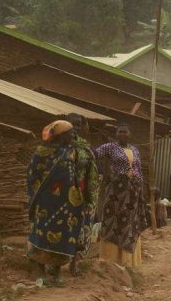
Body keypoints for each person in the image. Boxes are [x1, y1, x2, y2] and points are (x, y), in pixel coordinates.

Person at [26, 120, 85, 286]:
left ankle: (57, 271)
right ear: (60, 135)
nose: (73, 135)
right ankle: (40, 270)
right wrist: (37, 196)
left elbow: (74, 175)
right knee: (42, 233)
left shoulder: (72, 150)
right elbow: (32, 174)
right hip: (46, 202)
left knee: (64, 235)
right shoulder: (43, 151)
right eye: (70, 133)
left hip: (66, 203)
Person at [94, 123, 146, 268]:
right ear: (116, 134)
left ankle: (128, 262)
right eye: (120, 132)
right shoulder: (110, 147)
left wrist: (141, 191)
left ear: (130, 134)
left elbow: (139, 171)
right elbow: (94, 154)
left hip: (132, 193)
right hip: (116, 193)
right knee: (112, 221)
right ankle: (110, 260)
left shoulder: (135, 150)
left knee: (129, 223)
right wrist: (102, 172)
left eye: (125, 131)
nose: (123, 134)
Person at [65, 113, 99, 277]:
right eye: (74, 124)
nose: (76, 127)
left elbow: (90, 169)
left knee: (79, 231)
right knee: (64, 230)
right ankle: (55, 264)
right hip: (64, 194)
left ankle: (74, 264)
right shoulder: (61, 144)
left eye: (79, 124)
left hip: (82, 194)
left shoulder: (84, 146)